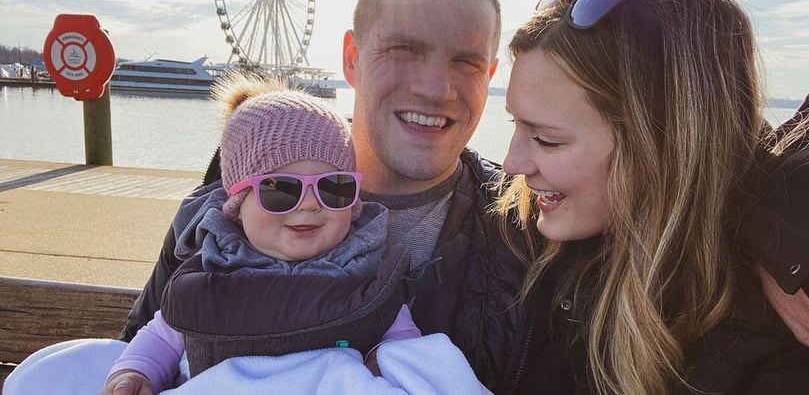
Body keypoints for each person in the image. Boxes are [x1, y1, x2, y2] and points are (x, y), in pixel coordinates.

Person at [117, 0, 542, 394]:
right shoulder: (220, 196)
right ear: (352, 59)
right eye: (404, 49)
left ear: (491, 75)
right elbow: (144, 345)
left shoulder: (528, 232)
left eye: (467, 63)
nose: (436, 87)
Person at [5, 75, 490, 395]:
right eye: (280, 190)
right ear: (237, 202)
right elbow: (165, 331)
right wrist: (134, 372)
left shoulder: (367, 272)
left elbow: (404, 344)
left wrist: (388, 371)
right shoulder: (214, 269)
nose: (308, 204)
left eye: (334, 188)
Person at [493, 0, 809, 394]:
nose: (512, 164)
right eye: (514, 124)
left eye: (546, 140)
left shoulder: (808, 283)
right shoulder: (535, 240)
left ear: (666, 143)